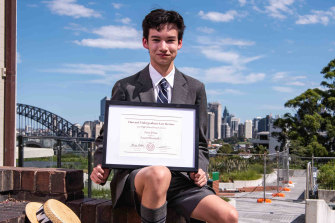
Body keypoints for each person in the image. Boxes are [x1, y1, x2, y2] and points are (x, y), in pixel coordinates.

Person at [90, 9, 238, 223]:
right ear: (145, 42)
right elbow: (106, 139)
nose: (163, 47)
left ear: (180, 43)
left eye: (170, 40)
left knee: (228, 216)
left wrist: (200, 169)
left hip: (179, 180)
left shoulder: (195, 88)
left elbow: (201, 144)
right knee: (159, 174)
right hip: (137, 178)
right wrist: (99, 166)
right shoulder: (125, 87)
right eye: (156, 40)